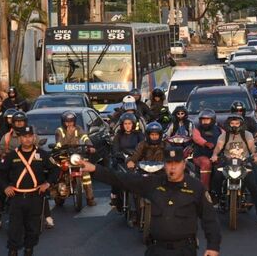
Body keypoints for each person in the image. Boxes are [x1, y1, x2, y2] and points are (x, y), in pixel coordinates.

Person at [82, 146, 221, 256]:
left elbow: (210, 219)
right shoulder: (153, 183)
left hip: (184, 250)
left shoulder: (196, 187)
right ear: (164, 165)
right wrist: (94, 169)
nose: (172, 167)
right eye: (169, 163)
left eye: (176, 163)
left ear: (184, 164)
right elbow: (121, 179)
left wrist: (213, 246)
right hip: (156, 249)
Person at [0, 125, 58, 256]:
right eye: (24, 137)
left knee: (33, 229)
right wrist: (6, 186)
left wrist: (48, 183)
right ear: (20, 139)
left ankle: (29, 250)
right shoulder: (11, 156)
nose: (27, 140)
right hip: (16, 197)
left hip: (35, 196)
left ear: (34, 138)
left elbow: (55, 169)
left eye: (30, 137)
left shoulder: (42, 154)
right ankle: (13, 251)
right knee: (14, 228)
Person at [210, 114, 257, 224]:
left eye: (237, 123)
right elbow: (218, 147)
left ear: (241, 124)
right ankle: (217, 199)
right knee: (216, 176)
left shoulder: (247, 135)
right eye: (232, 123)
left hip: (244, 163)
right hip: (227, 162)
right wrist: (215, 155)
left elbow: (252, 147)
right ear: (228, 124)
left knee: (254, 187)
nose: (234, 126)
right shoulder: (224, 136)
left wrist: (255, 156)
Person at [53, 111, 97, 206]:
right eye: (67, 122)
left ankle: (90, 198)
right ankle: (57, 191)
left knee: (86, 174)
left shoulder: (78, 128)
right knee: (57, 170)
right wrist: (69, 134)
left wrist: (90, 146)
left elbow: (85, 137)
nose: (69, 124)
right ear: (63, 122)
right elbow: (60, 143)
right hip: (63, 155)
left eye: (71, 121)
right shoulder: (59, 130)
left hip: (76, 155)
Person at [110, 112, 145, 209]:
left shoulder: (139, 135)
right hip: (122, 161)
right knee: (115, 173)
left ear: (133, 124)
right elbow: (115, 149)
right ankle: (114, 195)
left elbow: (144, 147)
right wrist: (118, 155)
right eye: (125, 124)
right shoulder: (118, 136)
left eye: (129, 123)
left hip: (136, 161)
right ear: (122, 125)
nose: (128, 126)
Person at [230, 101, 257, 196]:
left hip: (247, 149)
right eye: (236, 111)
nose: (239, 112)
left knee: (256, 164)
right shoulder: (227, 122)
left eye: (241, 110)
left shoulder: (249, 120)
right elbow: (221, 134)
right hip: (231, 150)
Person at [192, 109, 223, 190]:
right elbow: (196, 138)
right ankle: (205, 190)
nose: (205, 122)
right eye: (203, 120)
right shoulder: (197, 129)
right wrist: (205, 143)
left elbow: (225, 137)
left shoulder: (219, 129)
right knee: (206, 163)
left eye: (207, 119)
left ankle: (222, 190)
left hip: (216, 155)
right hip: (200, 155)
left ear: (212, 120)